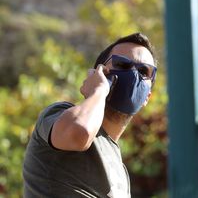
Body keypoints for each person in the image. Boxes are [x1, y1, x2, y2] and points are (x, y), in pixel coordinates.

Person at [23, 32, 157, 198]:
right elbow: (79, 133)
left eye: (144, 71)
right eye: (122, 64)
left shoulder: (120, 170)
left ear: (147, 97)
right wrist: (98, 91)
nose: (134, 74)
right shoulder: (59, 114)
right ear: (98, 74)